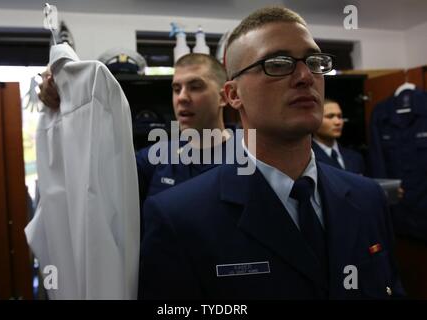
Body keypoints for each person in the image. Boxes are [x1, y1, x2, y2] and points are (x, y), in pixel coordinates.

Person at [139, 6, 404, 299]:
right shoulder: (179, 218)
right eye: (277, 63)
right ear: (233, 95)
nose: (305, 76)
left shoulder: (368, 199)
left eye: (315, 62)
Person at [38, 53, 231, 205]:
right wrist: (60, 82)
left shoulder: (249, 156)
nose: (181, 97)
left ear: (224, 97)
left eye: (195, 87)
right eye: (176, 88)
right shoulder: (155, 159)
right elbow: (95, 179)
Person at [312, 98, 366, 174]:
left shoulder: (355, 157)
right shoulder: (306, 160)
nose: (338, 122)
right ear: (314, 120)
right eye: (330, 116)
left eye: (340, 116)